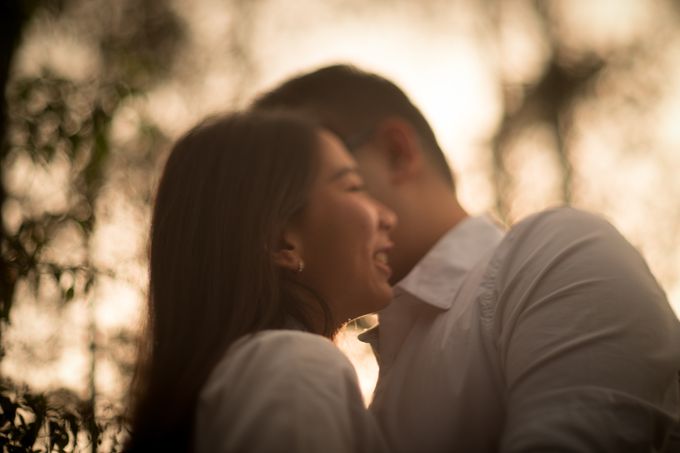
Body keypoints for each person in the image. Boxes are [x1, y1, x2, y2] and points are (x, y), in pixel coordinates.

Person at [252, 64, 680, 452]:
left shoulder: (556, 251)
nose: (278, 222)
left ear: (397, 152)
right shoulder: (359, 378)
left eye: (302, 181)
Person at [124, 110, 395, 452]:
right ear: (282, 242)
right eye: (353, 187)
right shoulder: (294, 366)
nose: (387, 216)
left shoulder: (251, 374)